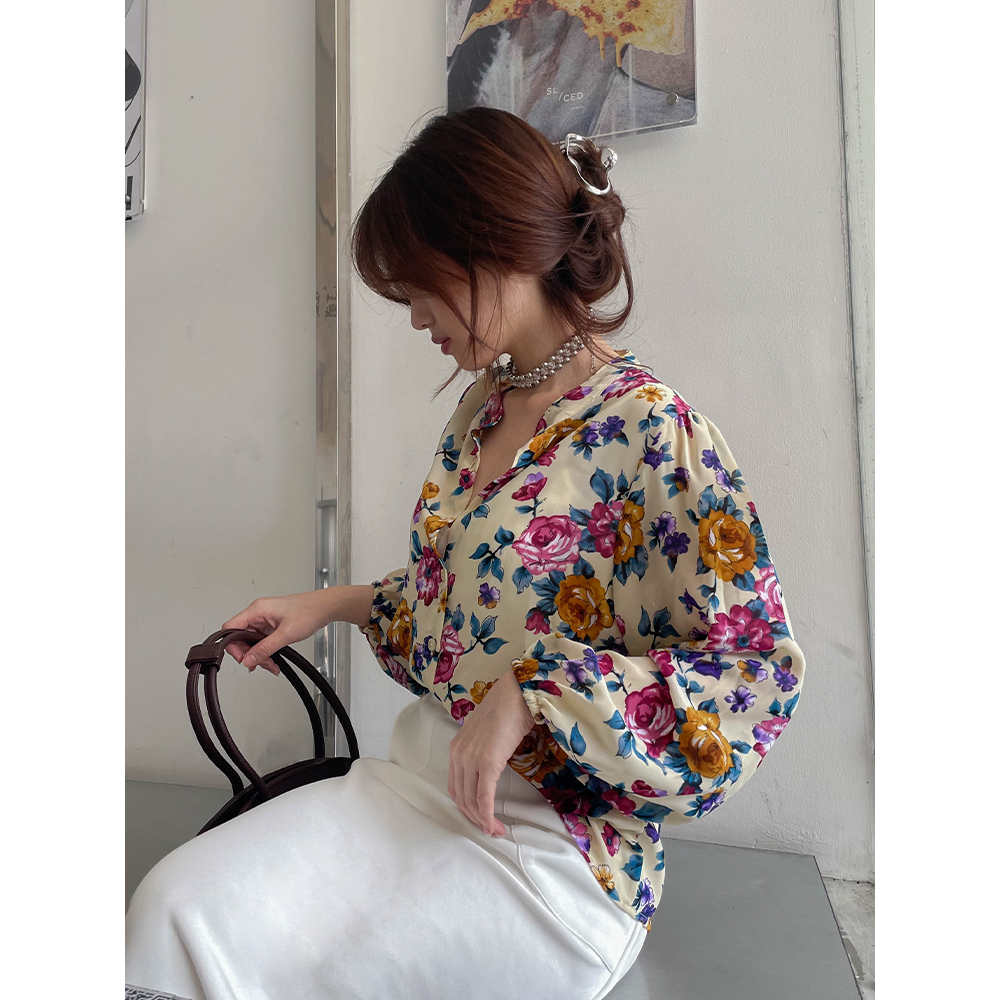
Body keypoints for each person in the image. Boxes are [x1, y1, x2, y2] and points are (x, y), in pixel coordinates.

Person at [125, 107, 807, 1000]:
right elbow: (468, 610)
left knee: (329, 979)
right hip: (415, 786)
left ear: (499, 245)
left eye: (421, 286)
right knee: (174, 906)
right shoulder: (481, 414)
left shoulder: (654, 433)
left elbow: (752, 677)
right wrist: (328, 605)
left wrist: (537, 693)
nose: (414, 317)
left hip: (557, 851)